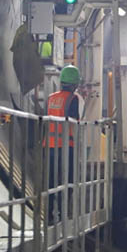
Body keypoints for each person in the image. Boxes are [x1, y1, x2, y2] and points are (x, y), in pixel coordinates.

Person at [46, 65, 82, 223]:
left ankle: (48, 215)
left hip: (49, 145)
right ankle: (61, 214)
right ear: (75, 84)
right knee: (67, 181)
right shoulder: (72, 99)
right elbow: (75, 120)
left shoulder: (51, 98)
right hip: (66, 146)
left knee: (51, 181)